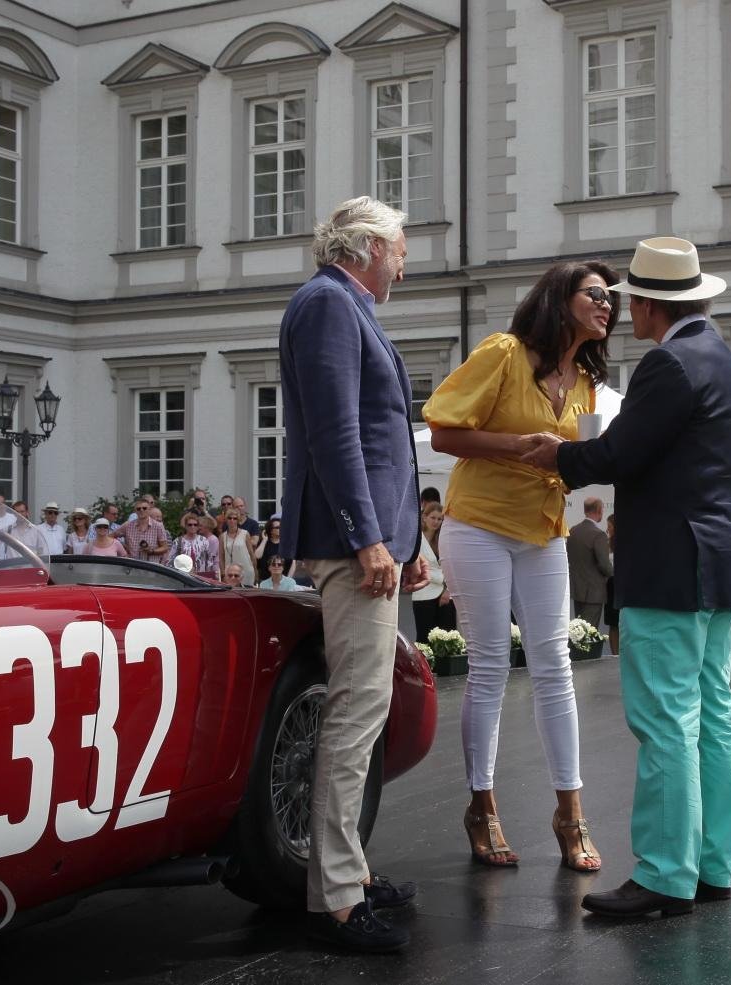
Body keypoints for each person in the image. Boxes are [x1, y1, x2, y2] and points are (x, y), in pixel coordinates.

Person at [522, 236, 731, 919]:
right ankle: (711, 865)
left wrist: (558, 454)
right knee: (714, 716)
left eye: (630, 303)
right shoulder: (724, 361)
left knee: (666, 720)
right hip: (716, 559)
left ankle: (664, 873)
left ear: (649, 305)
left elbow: (621, 453)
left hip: (669, 564)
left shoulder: (668, 364)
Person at [425, 258, 617, 878]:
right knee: (488, 667)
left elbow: (571, 459)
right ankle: (482, 806)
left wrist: (574, 460)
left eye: (610, 297)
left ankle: (570, 813)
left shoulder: (585, 380)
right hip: (478, 523)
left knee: (555, 666)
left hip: (544, 528)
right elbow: (443, 431)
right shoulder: (504, 353)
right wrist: (522, 446)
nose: (607, 304)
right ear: (560, 298)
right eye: (595, 293)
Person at [278, 196, 424, 950]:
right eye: (399, 249)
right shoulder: (330, 305)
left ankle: (350, 872)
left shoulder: (342, 305)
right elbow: (337, 434)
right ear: (367, 247)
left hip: (367, 543)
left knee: (364, 709)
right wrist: (369, 538)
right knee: (356, 712)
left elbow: (373, 437)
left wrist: (404, 537)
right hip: (351, 546)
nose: (404, 264)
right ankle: (336, 893)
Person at [411, 502, 455, 641]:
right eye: (433, 517)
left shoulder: (444, 539)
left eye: (439, 519)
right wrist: (441, 578)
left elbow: (452, 566)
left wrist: (448, 590)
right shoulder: (416, 538)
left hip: (446, 595)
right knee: (425, 638)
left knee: (449, 638)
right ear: (424, 517)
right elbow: (415, 566)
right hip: (423, 593)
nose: (436, 522)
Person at [568, 496, 613, 627]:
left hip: (577, 590)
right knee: (589, 633)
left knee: (579, 632)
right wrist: (614, 574)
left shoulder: (572, 531)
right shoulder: (599, 535)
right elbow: (605, 566)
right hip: (594, 592)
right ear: (599, 510)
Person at [121, 497, 170, 564]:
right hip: (133, 565)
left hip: (151, 566)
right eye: (138, 509)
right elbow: (111, 537)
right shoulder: (128, 526)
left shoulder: (158, 526)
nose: (141, 510)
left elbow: (165, 547)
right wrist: (124, 549)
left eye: (144, 508)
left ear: (149, 510)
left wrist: (152, 551)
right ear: (135, 511)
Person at [219, 508, 257, 587]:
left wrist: (255, 570)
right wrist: (223, 574)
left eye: (235, 518)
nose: (232, 520)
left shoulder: (245, 534)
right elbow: (221, 557)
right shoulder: (222, 536)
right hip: (231, 574)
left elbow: (251, 554)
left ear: (238, 520)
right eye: (229, 518)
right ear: (226, 520)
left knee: (248, 591)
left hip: (246, 570)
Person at [176, 513, 220, 579]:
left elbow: (210, 557)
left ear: (207, 527)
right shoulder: (201, 539)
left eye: (200, 526)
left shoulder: (213, 539)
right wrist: (189, 513)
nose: (198, 528)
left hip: (211, 569)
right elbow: (183, 525)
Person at [604, 514, 620, 655]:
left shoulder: (626, 542)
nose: (607, 529)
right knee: (613, 623)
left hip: (623, 585)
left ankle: (624, 652)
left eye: (609, 526)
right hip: (611, 585)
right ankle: (615, 654)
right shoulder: (606, 543)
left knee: (623, 621)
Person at [254, 516, 289, 580]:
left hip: (284, 579)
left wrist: (288, 579)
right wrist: (264, 540)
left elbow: (293, 564)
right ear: (271, 530)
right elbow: (257, 556)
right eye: (277, 527)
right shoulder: (264, 542)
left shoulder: (286, 544)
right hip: (266, 579)